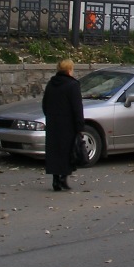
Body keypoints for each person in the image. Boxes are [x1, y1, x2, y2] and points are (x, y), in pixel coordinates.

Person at [42, 58, 84, 191]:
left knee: (54, 152)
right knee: (68, 152)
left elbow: (45, 104)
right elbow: (77, 107)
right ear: (69, 70)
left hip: (53, 123)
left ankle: (55, 179)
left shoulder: (51, 84)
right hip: (68, 124)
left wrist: (50, 117)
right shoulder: (73, 85)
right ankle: (63, 179)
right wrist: (79, 126)